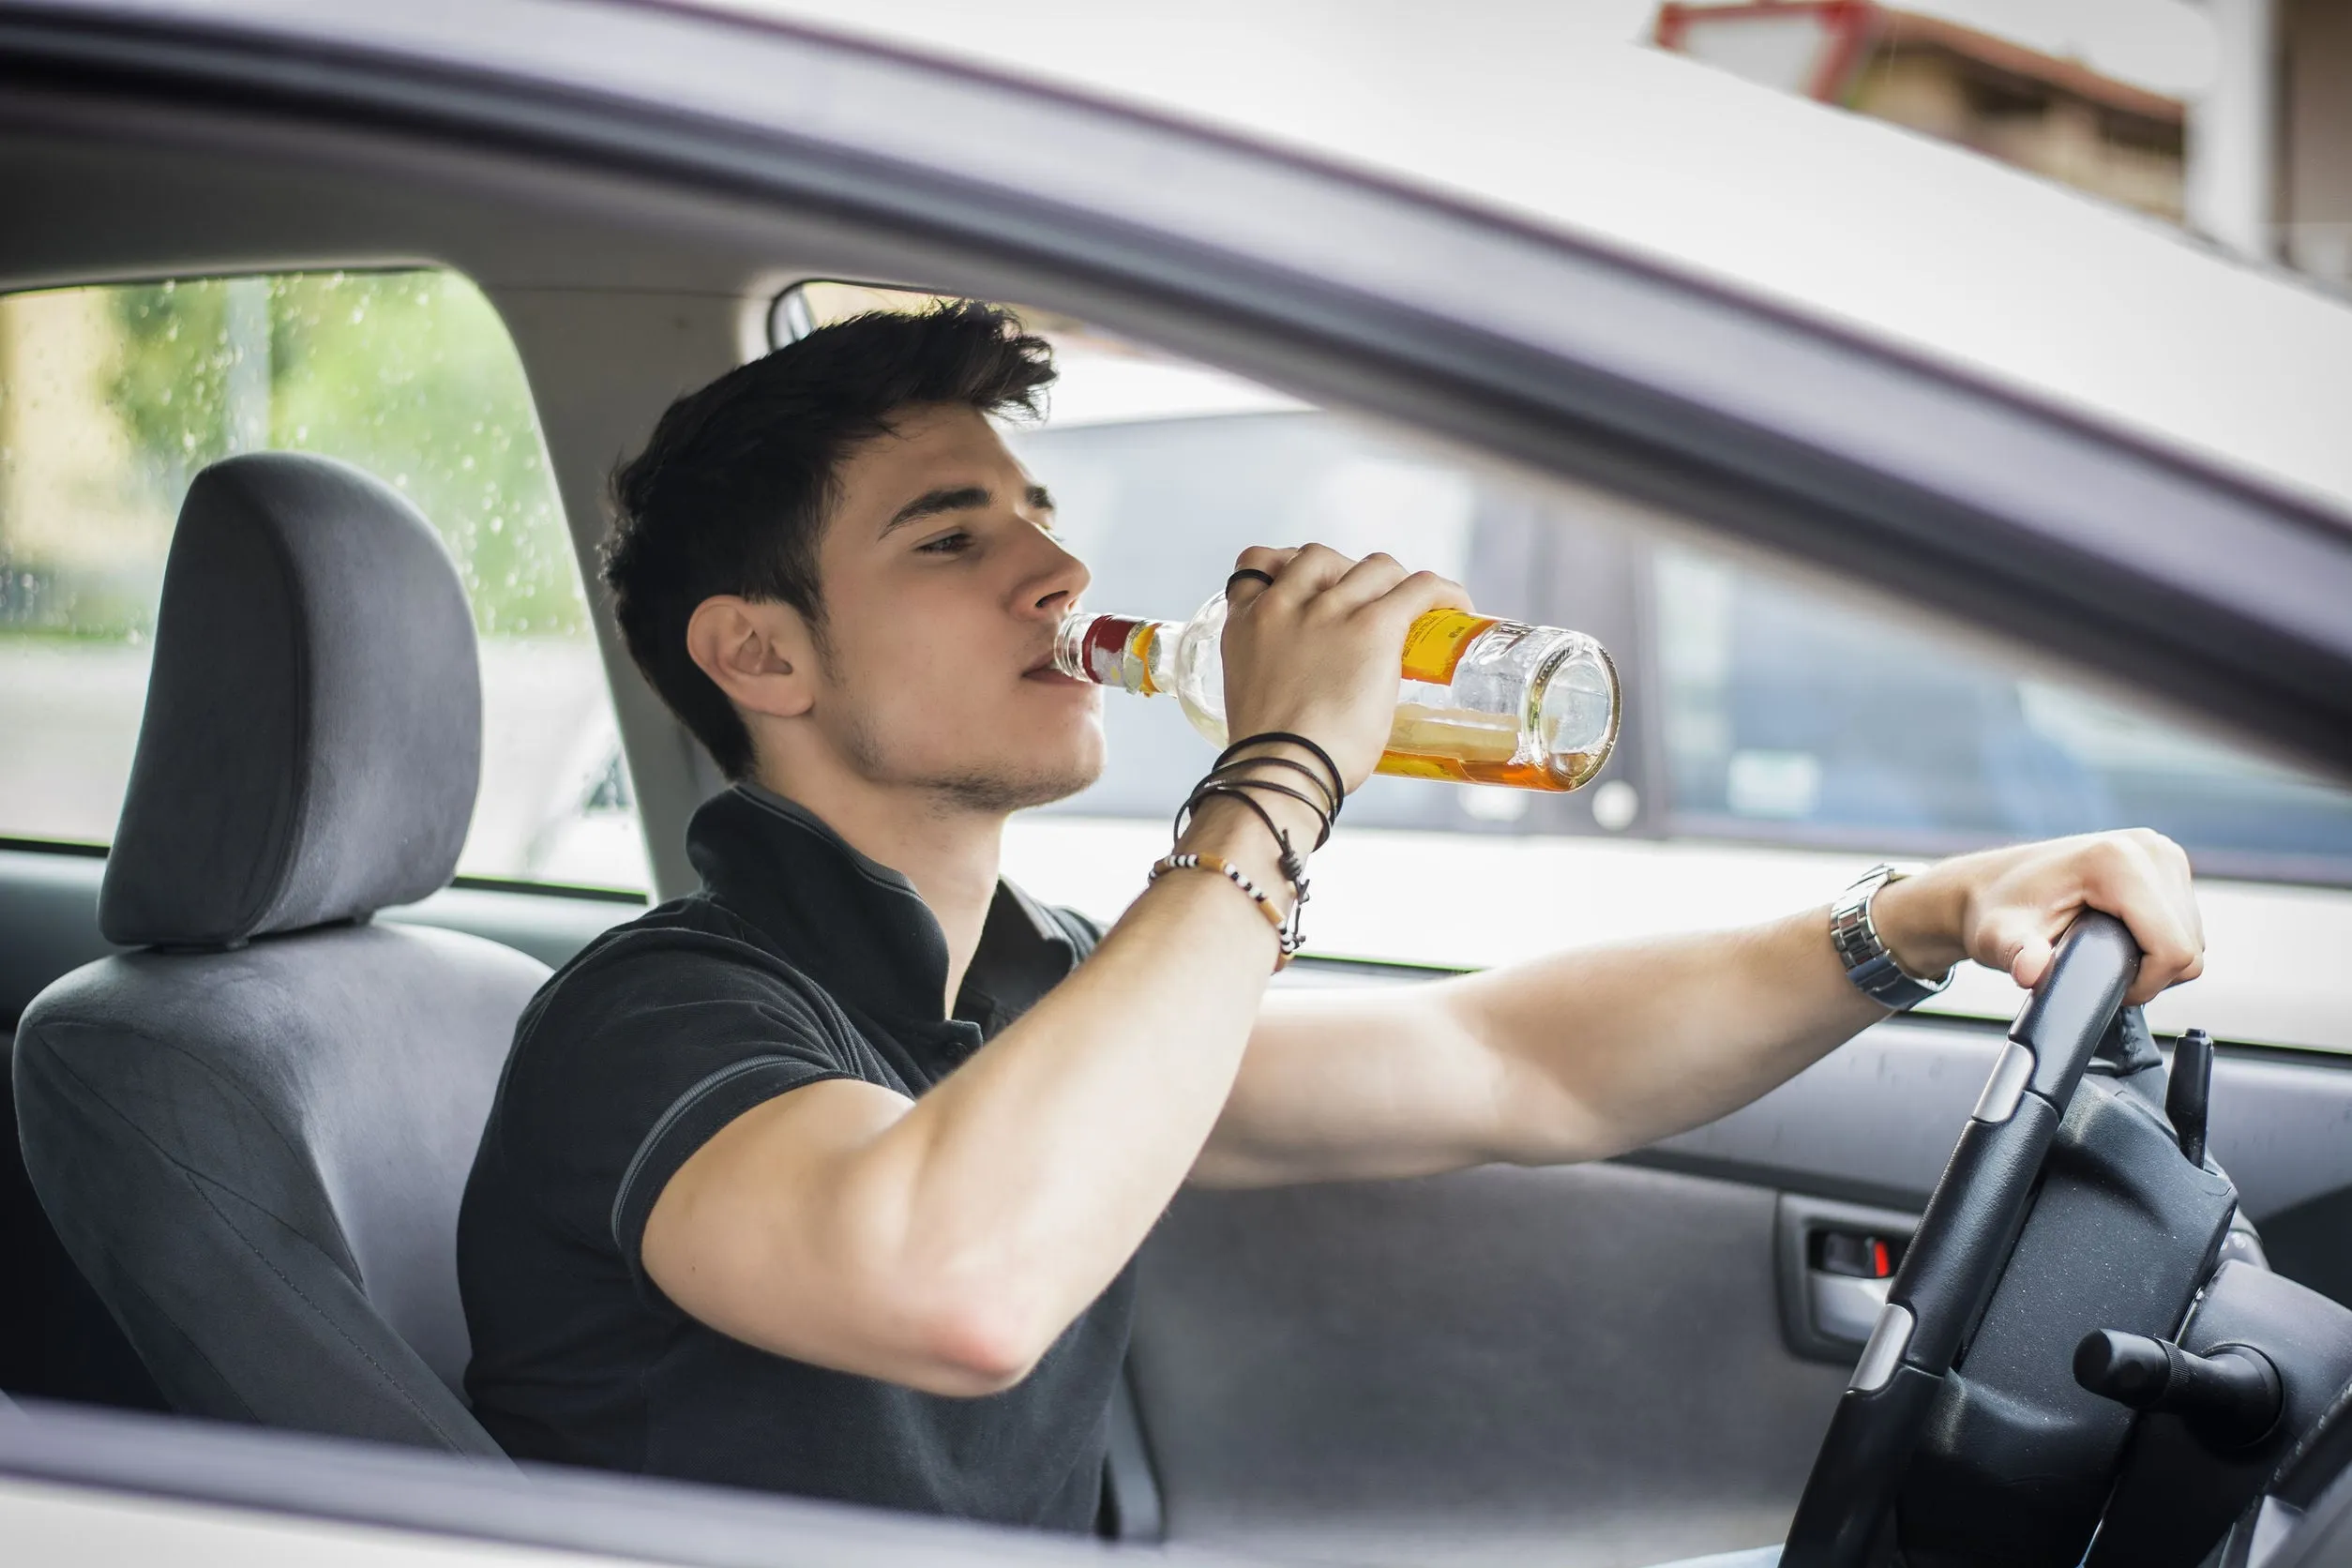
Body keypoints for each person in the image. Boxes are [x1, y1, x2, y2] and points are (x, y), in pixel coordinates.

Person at [455, 304, 2203, 1545]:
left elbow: (1511, 1063)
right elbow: (959, 1279)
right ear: (759, 653)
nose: (1057, 575)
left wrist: (1919, 918)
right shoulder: (656, 1019)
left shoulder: (1028, 987)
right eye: (950, 535)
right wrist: (1283, 768)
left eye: (1040, 512)